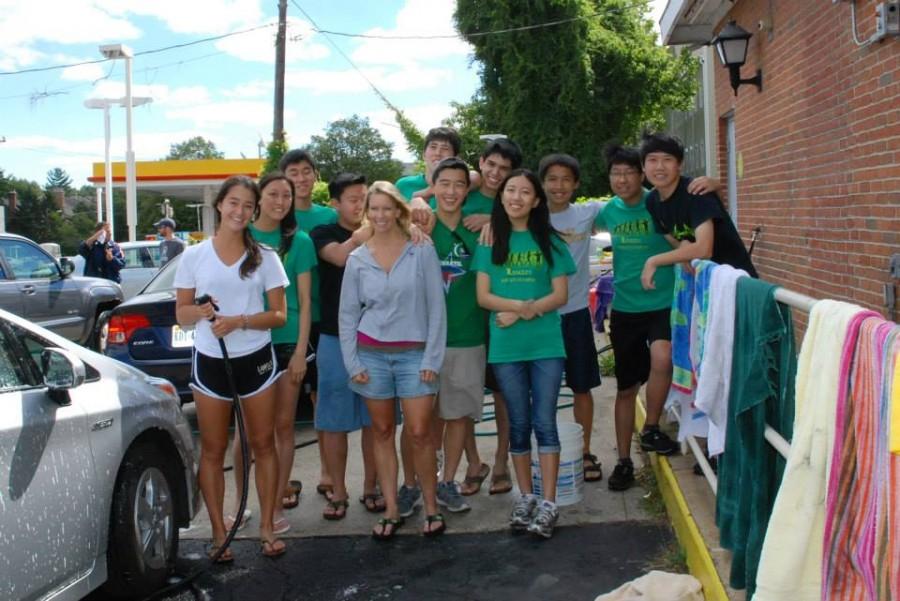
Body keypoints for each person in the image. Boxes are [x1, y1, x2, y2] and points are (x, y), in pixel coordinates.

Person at [174, 175, 289, 560]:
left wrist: (239, 321)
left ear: (254, 211)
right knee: (213, 448)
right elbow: (182, 313)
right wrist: (202, 312)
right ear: (220, 205)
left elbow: (279, 315)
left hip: (255, 361)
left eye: (247, 205)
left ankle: (268, 528)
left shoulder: (266, 257)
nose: (239, 211)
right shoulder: (193, 256)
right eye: (233, 203)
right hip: (211, 362)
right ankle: (219, 533)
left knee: (262, 445)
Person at [339, 181, 447, 539]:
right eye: (374, 209)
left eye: (387, 208)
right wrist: (353, 363)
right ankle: (390, 509)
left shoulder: (421, 249)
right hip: (372, 357)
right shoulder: (357, 258)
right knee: (382, 432)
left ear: (399, 211)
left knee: (420, 432)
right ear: (366, 213)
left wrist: (433, 356)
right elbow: (348, 315)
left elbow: (436, 307)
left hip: (416, 356)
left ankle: (430, 507)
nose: (381, 215)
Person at [473, 169, 576, 539]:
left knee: (544, 421)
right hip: (506, 348)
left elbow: (560, 295)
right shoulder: (491, 241)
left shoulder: (551, 241)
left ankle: (549, 503)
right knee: (517, 423)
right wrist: (522, 304)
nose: (516, 197)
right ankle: (526, 497)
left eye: (525, 192)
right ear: (501, 197)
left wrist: (520, 311)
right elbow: (483, 296)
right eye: (510, 190)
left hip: (546, 344)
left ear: (535, 201)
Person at [228, 172, 316, 534]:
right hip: (248, 342)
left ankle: (276, 503)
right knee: (246, 433)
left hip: (287, 340)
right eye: (274, 194)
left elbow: (306, 302)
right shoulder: (240, 238)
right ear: (259, 198)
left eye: (287, 196)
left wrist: (299, 353)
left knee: (282, 427)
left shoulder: (301, 241)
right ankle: (239, 503)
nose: (281, 202)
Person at [594, 145, 680, 491]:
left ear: (641, 174)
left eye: (629, 172)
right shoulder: (607, 212)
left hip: (663, 303)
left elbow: (688, 234)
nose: (622, 179)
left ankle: (651, 428)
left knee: (663, 357)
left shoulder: (659, 203)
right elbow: (558, 215)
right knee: (626, 388)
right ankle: (624, 461)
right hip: (626, 308)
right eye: (616, 173)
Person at [309, 173, 383, 520]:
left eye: (364, 197)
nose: (360, 204)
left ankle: (372, 486)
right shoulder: (324, 233)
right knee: (335, 421)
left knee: (376, 421)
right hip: (334, 338)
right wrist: (362, 236)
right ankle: (338, 491)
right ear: (335, 204)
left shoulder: (382, 232)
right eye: (352, 198)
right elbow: (338, 257)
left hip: (376, 340)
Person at [538, 153, 605, 483]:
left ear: (576, 184)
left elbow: (636, 201)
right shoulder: (530, 215)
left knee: (582, 387)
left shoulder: (587, 212)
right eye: (552, 179)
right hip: (540, 318)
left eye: (566, 179)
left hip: (576, 314)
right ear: (542, 183)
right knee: (545, 392)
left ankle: (585, 451)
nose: (559, 185)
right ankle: (548, 453)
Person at [279, 148, 338, 498]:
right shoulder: (273, 218)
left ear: (315, 175)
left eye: (306, 172)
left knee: (322, 400)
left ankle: (328, 474)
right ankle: (282, 481)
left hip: (322, 321)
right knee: (280, 413)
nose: (300, 179)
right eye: (293, 172)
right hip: (281, 325)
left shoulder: (329, 216)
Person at [429, 158, 487, 513]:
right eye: (444, 183)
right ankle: (419, 481)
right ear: (432, 187)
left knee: (458, 415)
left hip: (467, 337)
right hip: (422, 340)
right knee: (423, 419)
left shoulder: (481, 232)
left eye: (458, 184)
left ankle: (447, 480)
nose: (451, 191)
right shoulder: (417, 226)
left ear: (468, 190)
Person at [639, 132, 758, 291]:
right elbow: (668, 234)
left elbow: (704, 249)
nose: (660, 166)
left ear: (679, 164)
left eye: (667, 159)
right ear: (643, 166)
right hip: (705, 285)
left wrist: (653, 261)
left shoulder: (696, 192)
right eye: (652, 160)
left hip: (736, 283)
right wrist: (682, 246)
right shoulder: (652, 201)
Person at [395, 126, 461, 202]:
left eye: (445, 148)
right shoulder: (403, 186)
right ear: (423, 155)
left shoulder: (464, 191)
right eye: (433, 147)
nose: (438, 153)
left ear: (456, 158)